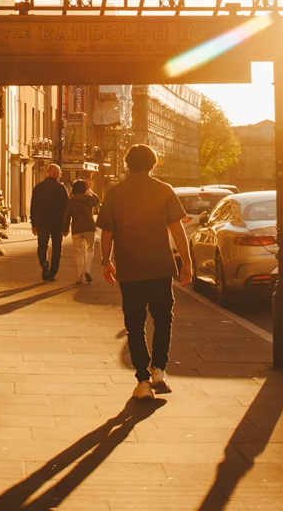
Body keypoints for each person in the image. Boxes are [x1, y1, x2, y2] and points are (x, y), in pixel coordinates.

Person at [98, 144, 191, 401]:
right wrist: (186, 261)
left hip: (130, 269)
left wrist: (106, 261)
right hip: (160, 267)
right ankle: (159, 370)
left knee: (134, 324)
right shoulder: (164, 190)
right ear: (153, 164)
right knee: (163, 319)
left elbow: (107, 232)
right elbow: (176, 229)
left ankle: (142, 380)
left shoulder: (116, 193)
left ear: (127, 164)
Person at [30, 162, 69, 281]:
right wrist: (66, 225)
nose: (59, 176)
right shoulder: (61, 188)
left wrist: (34, 223)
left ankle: (44, 262)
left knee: (42, 245)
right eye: (59, 173)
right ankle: (53, 272)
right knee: (57, 248)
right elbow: (67, 208)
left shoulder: (38, 187)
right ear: (55, 173)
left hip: (42, 223)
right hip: (57, 224)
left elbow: (33, 206)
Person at [64, 178, 100, 283]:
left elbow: (66, 216)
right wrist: (89, 190)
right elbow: (97, 201)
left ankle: (78, 276)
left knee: (78, 252)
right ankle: (87, 270)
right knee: (89, 250)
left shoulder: (71, 201)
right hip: (89, 227)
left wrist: (65, 229)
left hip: (77, 228)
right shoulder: (89, 199)